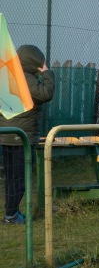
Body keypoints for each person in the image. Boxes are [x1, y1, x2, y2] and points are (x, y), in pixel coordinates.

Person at [0, 45, 55, 224]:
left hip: (9, 135)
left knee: (12, 176)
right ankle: (11, 215)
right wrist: (47, 73)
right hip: (21, 136)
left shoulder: (9, 75)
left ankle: (11, 212)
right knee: (20, 177)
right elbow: (45, 93)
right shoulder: (25, 78)